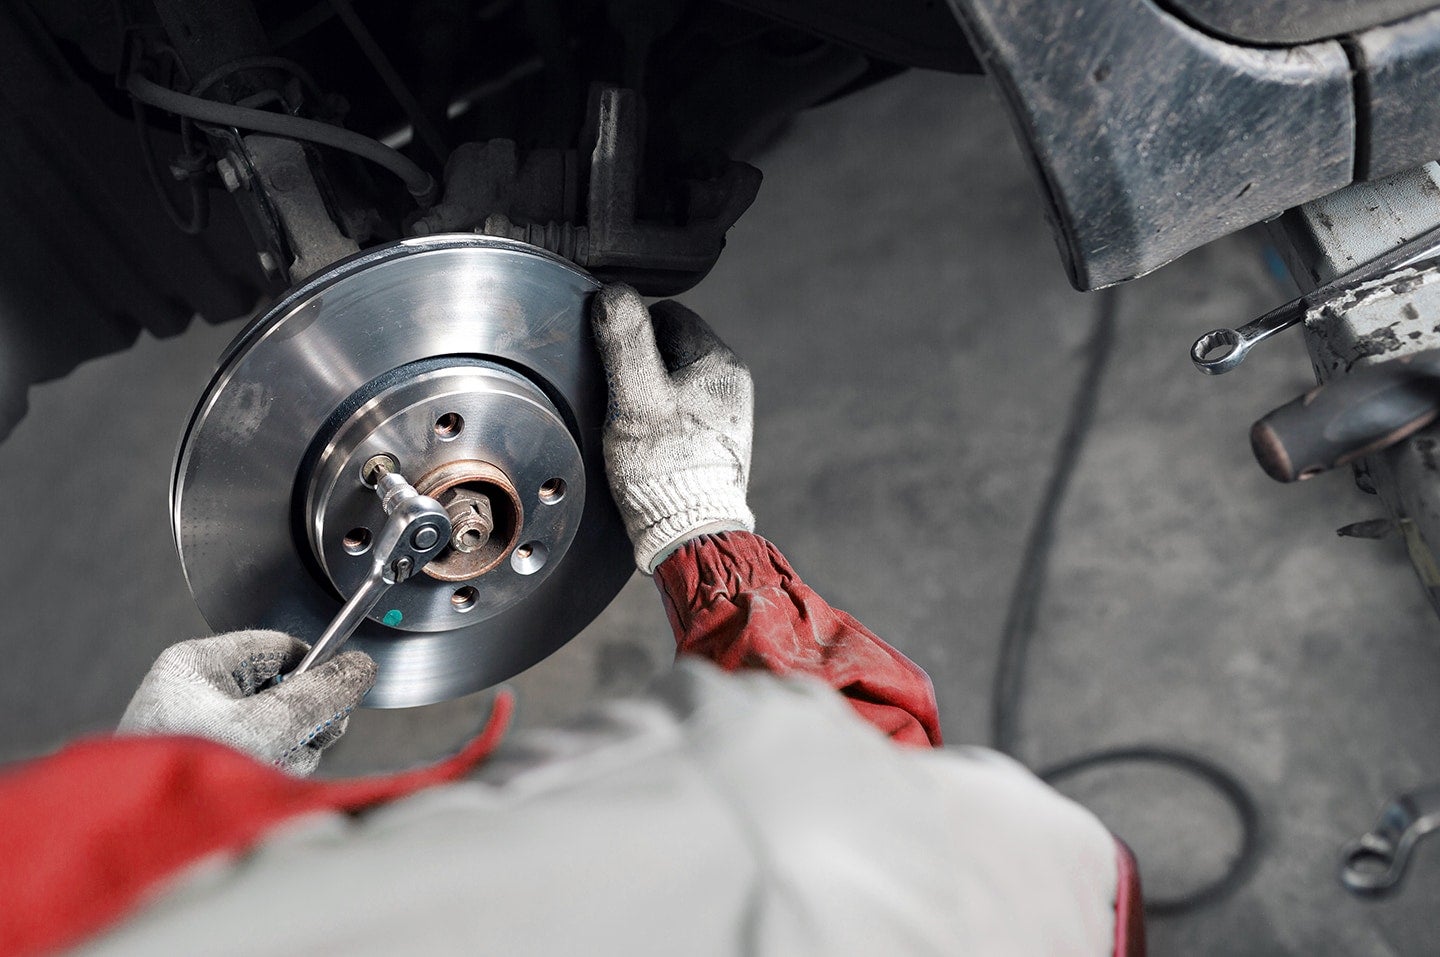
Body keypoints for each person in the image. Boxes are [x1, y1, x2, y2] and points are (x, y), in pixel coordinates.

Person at [0, 286, 1142, 956]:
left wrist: (160, 801)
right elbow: (882, 822)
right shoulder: (779, 861)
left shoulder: (65, 901)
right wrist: (702, 530)